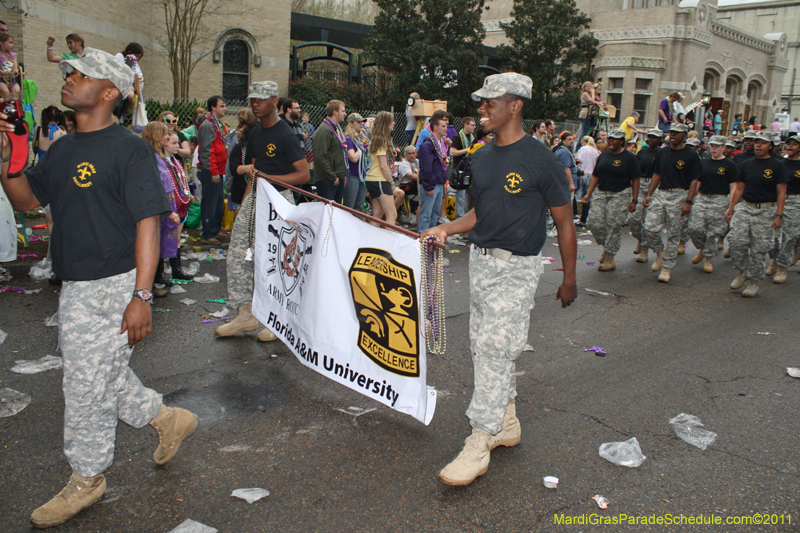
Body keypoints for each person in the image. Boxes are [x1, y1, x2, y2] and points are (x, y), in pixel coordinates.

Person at [0, 48, 198, 528]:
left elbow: (148, 223)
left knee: (85, 383)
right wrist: (6, 159)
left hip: (117, 282)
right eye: (69, 73)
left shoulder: (129, 149)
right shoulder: (63, 148)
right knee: (98, 372)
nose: (69, 79)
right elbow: (26, 199)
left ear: (110, 92)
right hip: (76, 283)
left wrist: (142, 295)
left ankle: (87, 478)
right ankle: (167, 418)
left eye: (81, 75)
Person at [420, 72, 576, 487]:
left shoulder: (542, 159)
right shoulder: (483, 155)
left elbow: (564, 222)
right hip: (481, 263)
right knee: (485, 346)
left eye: (490, 102)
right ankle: (506, 421)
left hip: (517, 267)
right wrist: (445, 228)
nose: (481, 109)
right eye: (482, 102)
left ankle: (480, 439)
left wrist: (570, 278)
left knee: (492, 347)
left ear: (515, 105)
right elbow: (481, 213)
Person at [217, 80, 309, 342]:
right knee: (239, 256)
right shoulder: (255, 133)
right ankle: (245, 314)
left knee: (274, 260)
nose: (255, 104)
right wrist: (245, 204)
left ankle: (278, 319)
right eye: (252, 100)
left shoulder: (286, 135)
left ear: (274, 101)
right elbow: (255, 173)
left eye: (261, 99)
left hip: (279, 201)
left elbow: (303, 174)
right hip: (255, 198)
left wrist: (270, 179)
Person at [727, 131, 788, 297]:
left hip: (766, 210)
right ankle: (743, 271)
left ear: (771, 146)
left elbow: (781, 193)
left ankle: (753, 281)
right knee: (736, 241)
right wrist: (731, 209)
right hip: (745, 207)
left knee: (758, 248)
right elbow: (739, 188)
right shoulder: (747, 164)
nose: (758, 145)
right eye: (756, 142)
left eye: (763, 143)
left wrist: (779, 215)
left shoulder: (777, 165)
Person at [642, 123, 702, 283]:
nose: (673, 135)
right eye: (671, 132)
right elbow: (657, 174)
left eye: (677, 133)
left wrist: (689, 201)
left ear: (685, 136)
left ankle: (666, 267)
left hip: (680, 195)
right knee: (649, 228)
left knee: (674, 234)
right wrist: (649, 194)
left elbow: (694, 180)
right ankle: (660, 252)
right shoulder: (662, 152)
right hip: (661, 193)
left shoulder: (691, 155)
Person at [582, 129, 640, 271]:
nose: (611, 141)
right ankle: (607, 247)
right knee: (594, 223)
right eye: (610, 138)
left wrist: (634, 200)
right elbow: (595, 175)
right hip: (601, 193)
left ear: (622, 141)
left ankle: (610, 258)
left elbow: (635, 180)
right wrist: (588, 194)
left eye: (615, 139)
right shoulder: (603, 155)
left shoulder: (630, 158)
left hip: (620, 194)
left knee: (613, 225)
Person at [687, 135, 737, 274]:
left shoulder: (729, 165)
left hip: (720, 199)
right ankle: (703, 249)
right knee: (694, 228)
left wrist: (731, 207)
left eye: (717, 146)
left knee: (713, 232)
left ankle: (707, 258)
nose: (714, 149)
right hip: (703, 198)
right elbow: (698, 182)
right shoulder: (704, 162)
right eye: (712, 146)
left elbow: (734, 187)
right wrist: (691, 199)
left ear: (723, 147)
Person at [142, 121, 181, 296]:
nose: (167, 136)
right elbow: (155, 185)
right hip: (156, 208)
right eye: (165, 133)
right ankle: (148, 286)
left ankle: (155, 280)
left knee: (158, 244)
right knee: (151, 245)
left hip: (163, 206)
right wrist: (169, 211)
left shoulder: (157, 155)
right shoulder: (148, 156)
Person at [196, 95, 228, 245]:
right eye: (221, 106)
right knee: (210, 202)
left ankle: (215, 229)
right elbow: (206, 150)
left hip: (219, 170)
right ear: (213, 107)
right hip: (211, 171)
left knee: (218, 203)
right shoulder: (208, 125)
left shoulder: (217, 124)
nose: (225, 108)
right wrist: (213, 171)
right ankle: (208, 233)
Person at [630, 129, 663, 262]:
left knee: (649, 221)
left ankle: (644, 250)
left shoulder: (662, 153)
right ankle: (640, 239)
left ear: (659, 139)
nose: (650, 139)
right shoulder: (642, 152)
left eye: (653, 137)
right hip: (640, 184)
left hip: (655, 186)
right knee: (634, 219)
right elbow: (635, 170)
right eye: (649, 137)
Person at [366, 111, 400, 227]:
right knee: (392, 214)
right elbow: (383, 166)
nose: (394, 123)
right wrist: (391, 182)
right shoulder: (382, 141)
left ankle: (372, 237)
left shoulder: (376, 139)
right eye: (391, 121)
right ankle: (389, 237)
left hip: (372, 178)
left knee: (378, 214)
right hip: (379, 179)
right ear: (386, 123)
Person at [417, 114, 448, 232]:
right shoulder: (428, 144)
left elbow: (443, 165)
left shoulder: (441, 143)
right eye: (443, 126)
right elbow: (426, 167)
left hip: (439, 182)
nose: (446, 128)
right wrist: (429, 186)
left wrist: (445, 181)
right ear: (435, 127)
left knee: (435, 214)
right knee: (426, 214)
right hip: (431, 184)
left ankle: (431, 237)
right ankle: (422, 237)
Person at [313, 99, 347, 202]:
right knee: (328, 209)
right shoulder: (324, 130)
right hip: (328, 179)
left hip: (337, 176)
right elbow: (320, 156)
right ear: (335, 112)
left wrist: (342, 174)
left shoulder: (337, 128)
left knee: (336, 209)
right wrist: (332, 176)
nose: (345, 114)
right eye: (343, 111)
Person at [449, 116, 476, 219]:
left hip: (469, 170)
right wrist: (467, 150)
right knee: (460, 196)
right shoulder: (457, 137)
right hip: (460, 169)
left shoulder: (473, 138)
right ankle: (460, 217)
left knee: (467, 196)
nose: (474, 127)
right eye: (472, 125)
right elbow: (452, 152)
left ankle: (466, 216)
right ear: (465, 125)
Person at [343, 112, 369, 211]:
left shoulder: (361, 138)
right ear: (351, 123)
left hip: (363, 175)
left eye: (362, 122)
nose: (361, 124)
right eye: (358, 122)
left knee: (359, 205)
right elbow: (353, 157)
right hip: (352, 175)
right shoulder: (348, 139)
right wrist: (362, 147)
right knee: (350, 205)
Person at [113, 43, 144, 121]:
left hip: (128, 85)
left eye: (139, 56)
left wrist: (133, 66)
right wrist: (127, 64)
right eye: (136, 55)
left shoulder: (135, 64)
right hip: (119, 83)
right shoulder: (120, 56)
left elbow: (139, 76)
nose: (137, 58)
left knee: (130, 96)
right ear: (129, 51)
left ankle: (123, 112)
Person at [575, 135, 600, 228]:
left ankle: (584, 219)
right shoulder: (595, 150)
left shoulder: (583, 149)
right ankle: (588, 217)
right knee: (590, 196)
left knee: (584, 197)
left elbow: (579, 160)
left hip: (584, 174)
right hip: (593, 175)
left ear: (583, 142)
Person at [554, 131, 578, 197]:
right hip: (566, 184)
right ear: (563, 141)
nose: (572, 141)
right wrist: (571, 184)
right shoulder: (564, 152)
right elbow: (566, 168)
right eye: (569, 139)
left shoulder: (561, 150)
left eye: (572, 139)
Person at [0, 34, 20, 101]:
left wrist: (15, 70)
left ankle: (15, 105)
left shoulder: (12, 55)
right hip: (1, 79)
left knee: (16, 90)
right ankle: (7, 106)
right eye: (10, 43)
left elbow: (15, 67)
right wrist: (3, 72)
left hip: (11, 79)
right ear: (1, 43)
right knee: (5, 91)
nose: (12, 45)